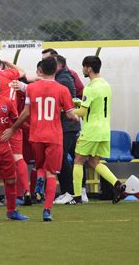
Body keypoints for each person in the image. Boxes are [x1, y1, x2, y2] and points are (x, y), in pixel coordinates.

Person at [2, 57, 77, 221]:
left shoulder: (32, 88)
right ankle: (47, 211)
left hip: (36, 135)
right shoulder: (62, 89)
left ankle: (39, 180)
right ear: (56, 70)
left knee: (40, 166)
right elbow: (71, 114)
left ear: (40, 71)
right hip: (54, 136)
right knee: (52, 173)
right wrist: (75, 116)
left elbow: (26, 112)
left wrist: (13, 128)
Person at [71, 56, 125, 204]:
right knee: (94, 162)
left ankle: (76, 196)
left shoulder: (90, 87)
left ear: (88, 68)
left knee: (78, 159)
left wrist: (67, 111)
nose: (82, 69)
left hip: (91, 130)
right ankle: (117, 184)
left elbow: (82, 113)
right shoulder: (106, 85)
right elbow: (96, 106)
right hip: (104, 130)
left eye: (83, 67)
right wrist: (81, 103)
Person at [0, 56, 31, 205]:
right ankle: (25, 191)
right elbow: (22, 72)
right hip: (12, 121)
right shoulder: (10, 74)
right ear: (1, 65)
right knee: (18, 157)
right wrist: (9, 63)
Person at [52, 55, 84, 205]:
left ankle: (69, 192)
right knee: (76, 157)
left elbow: (66, 103)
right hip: (69, 125)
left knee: (62, 157)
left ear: (59, 65)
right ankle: (78, 191)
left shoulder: (63, 79)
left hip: (67, 125)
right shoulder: (64, 77)